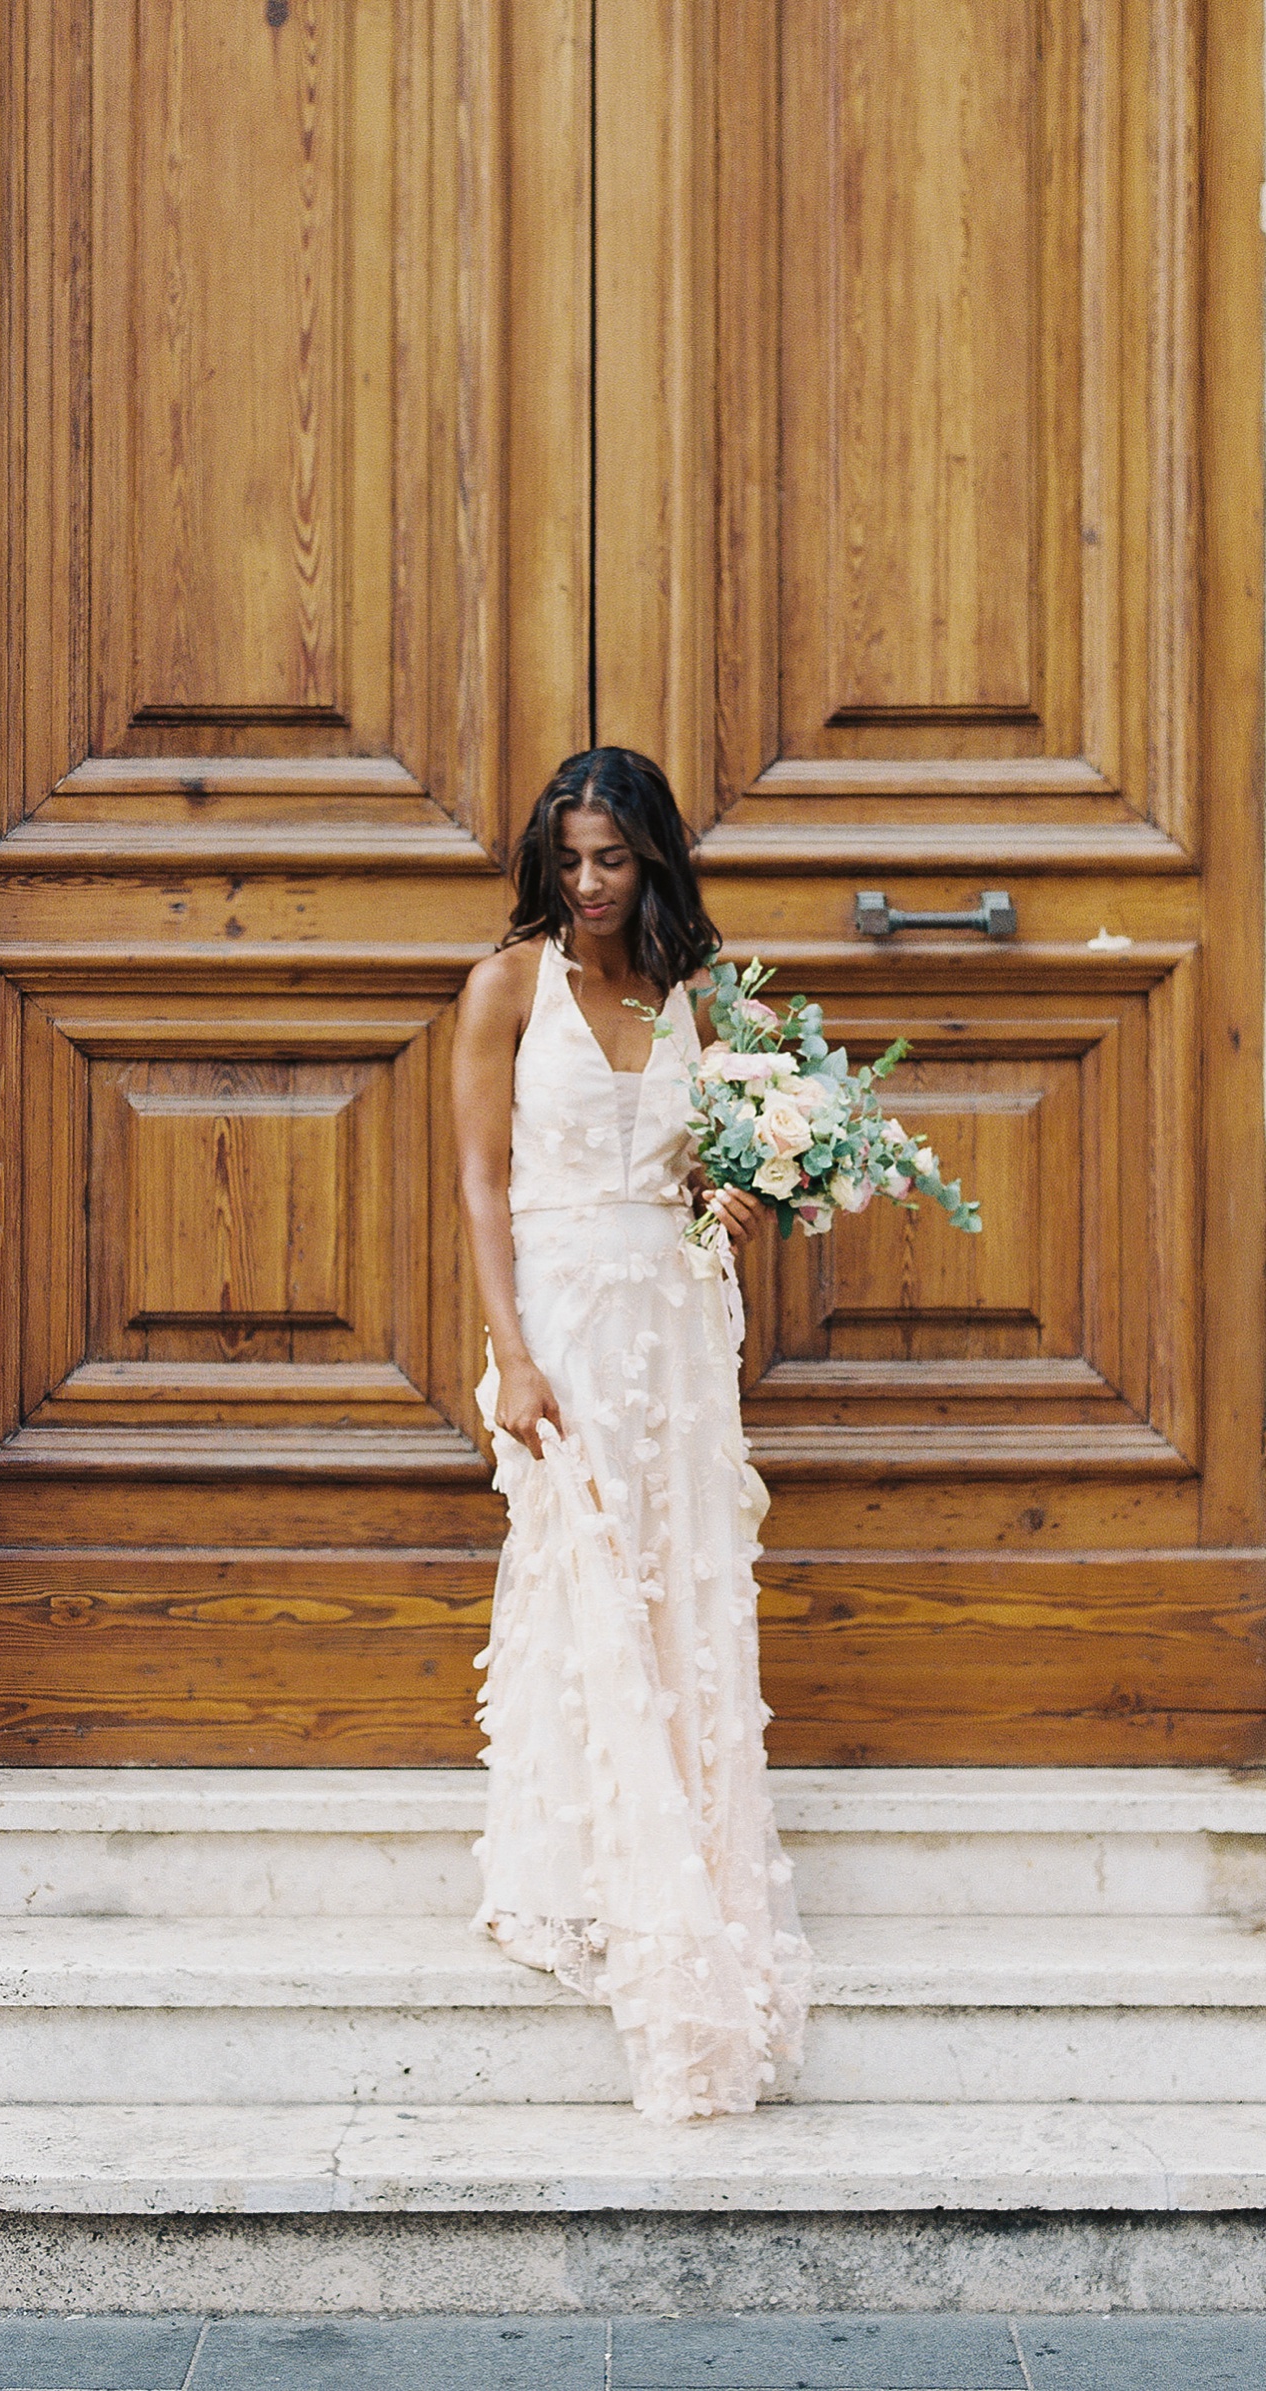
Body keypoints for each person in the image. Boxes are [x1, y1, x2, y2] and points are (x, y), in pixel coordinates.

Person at [451, 746, 811, 2124]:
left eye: (612, 859)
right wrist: (511, 1355)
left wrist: (743, 1199)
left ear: (652, 859)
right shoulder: (505, 988)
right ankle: (583, 1869)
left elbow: (739, 1158)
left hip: (676, 1318)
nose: (589, 884)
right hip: (566, 1322)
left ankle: (687, 1842)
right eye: (570, 859)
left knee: (678, 1579)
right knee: (585, 1572)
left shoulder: (693, 999)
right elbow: (481, 1183)